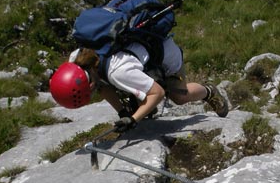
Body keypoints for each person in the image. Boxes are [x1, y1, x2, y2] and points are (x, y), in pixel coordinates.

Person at [50, 34, 228, 132]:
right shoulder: (78, 59)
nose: (94, 91)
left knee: (179, 97)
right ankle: (137, 105)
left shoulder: (116, 72)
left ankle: (208, 92)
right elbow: (102, 86)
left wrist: (133, 119)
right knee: (136, 101)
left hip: (166, 56)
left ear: (88, 84)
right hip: (140, 60)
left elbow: (157, 93)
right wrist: (122, 112)